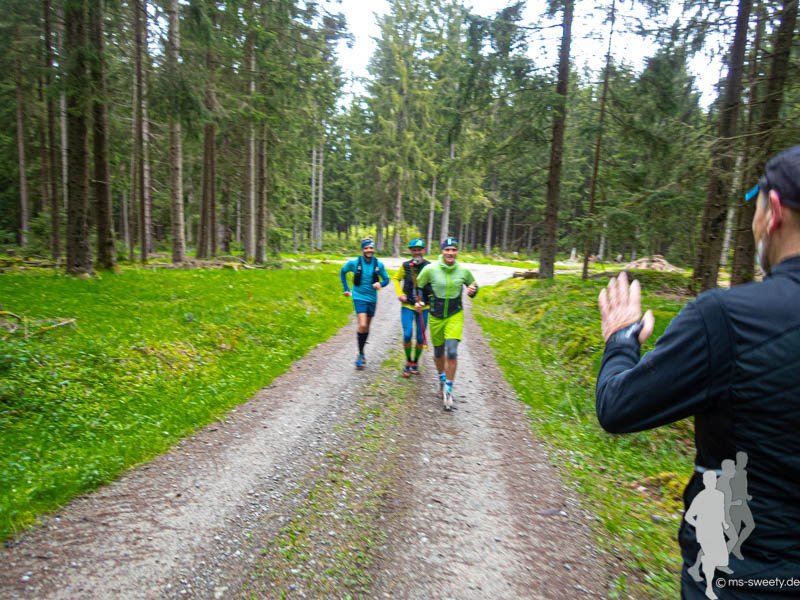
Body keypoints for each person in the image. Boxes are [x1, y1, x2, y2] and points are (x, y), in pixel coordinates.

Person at [595, 144, 800, 599]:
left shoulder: (726, 318)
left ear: (773, 212)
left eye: (755, 206)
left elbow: (617, 406)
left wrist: (621, 339)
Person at [415, 237, 478, 410]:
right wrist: (419, 301)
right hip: (435, 316)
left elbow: (473, 286)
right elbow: (418, 286)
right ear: (442, 251)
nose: (450, 253)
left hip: (454, 315)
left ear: (457, 252)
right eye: (447, 250)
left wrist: (473, 291)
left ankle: (448, 389)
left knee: (452, 351)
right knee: (438, 352)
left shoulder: (463, 271)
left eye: (453, 250)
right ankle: (442, 378)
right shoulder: (430, 269)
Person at [340, 238, 390, 369]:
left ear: (373, 249)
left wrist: (380, 284)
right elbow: (343, 271)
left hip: (372, 299)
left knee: (366, 327)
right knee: (362, 324)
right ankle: (360, 354)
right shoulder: (355, 263)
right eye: (366, 248)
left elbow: (387, 279)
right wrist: (346, 288)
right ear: (362, 250)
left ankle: (361, 353)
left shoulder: (378, 265)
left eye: (371, 248)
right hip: (358, 297)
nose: (369, 250)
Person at [392, 238, 432, 377]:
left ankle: (415, 362)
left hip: (424, 307)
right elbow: (396, 279)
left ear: (424, 250)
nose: (417, 252)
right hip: (408, 305)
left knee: (420, 338)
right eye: (414, 250)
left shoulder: (430, 266)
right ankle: (408, 361)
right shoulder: (405, 266)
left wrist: (428, 301)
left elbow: (434, 285)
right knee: (408, 334)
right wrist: (400, 293)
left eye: (419, 250)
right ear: (410, 251)